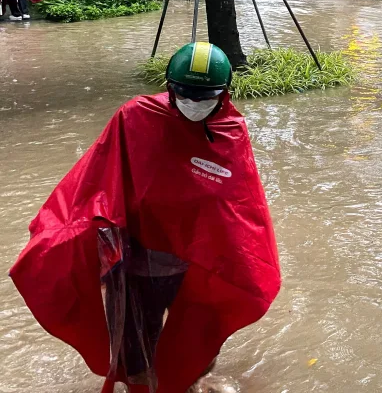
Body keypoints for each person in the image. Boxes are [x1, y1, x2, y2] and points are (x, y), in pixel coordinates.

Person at [10, 42, 281, 393]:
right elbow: (97, 180)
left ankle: (191, 381)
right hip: (137, 264)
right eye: (185, 94)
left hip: (196, 266)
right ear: (169, 87)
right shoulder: (135, 117)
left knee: (197, 342)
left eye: (205, 96)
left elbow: (242, 207)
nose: (194, 103)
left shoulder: (230, 132)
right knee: (134, 350)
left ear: (224, 94)